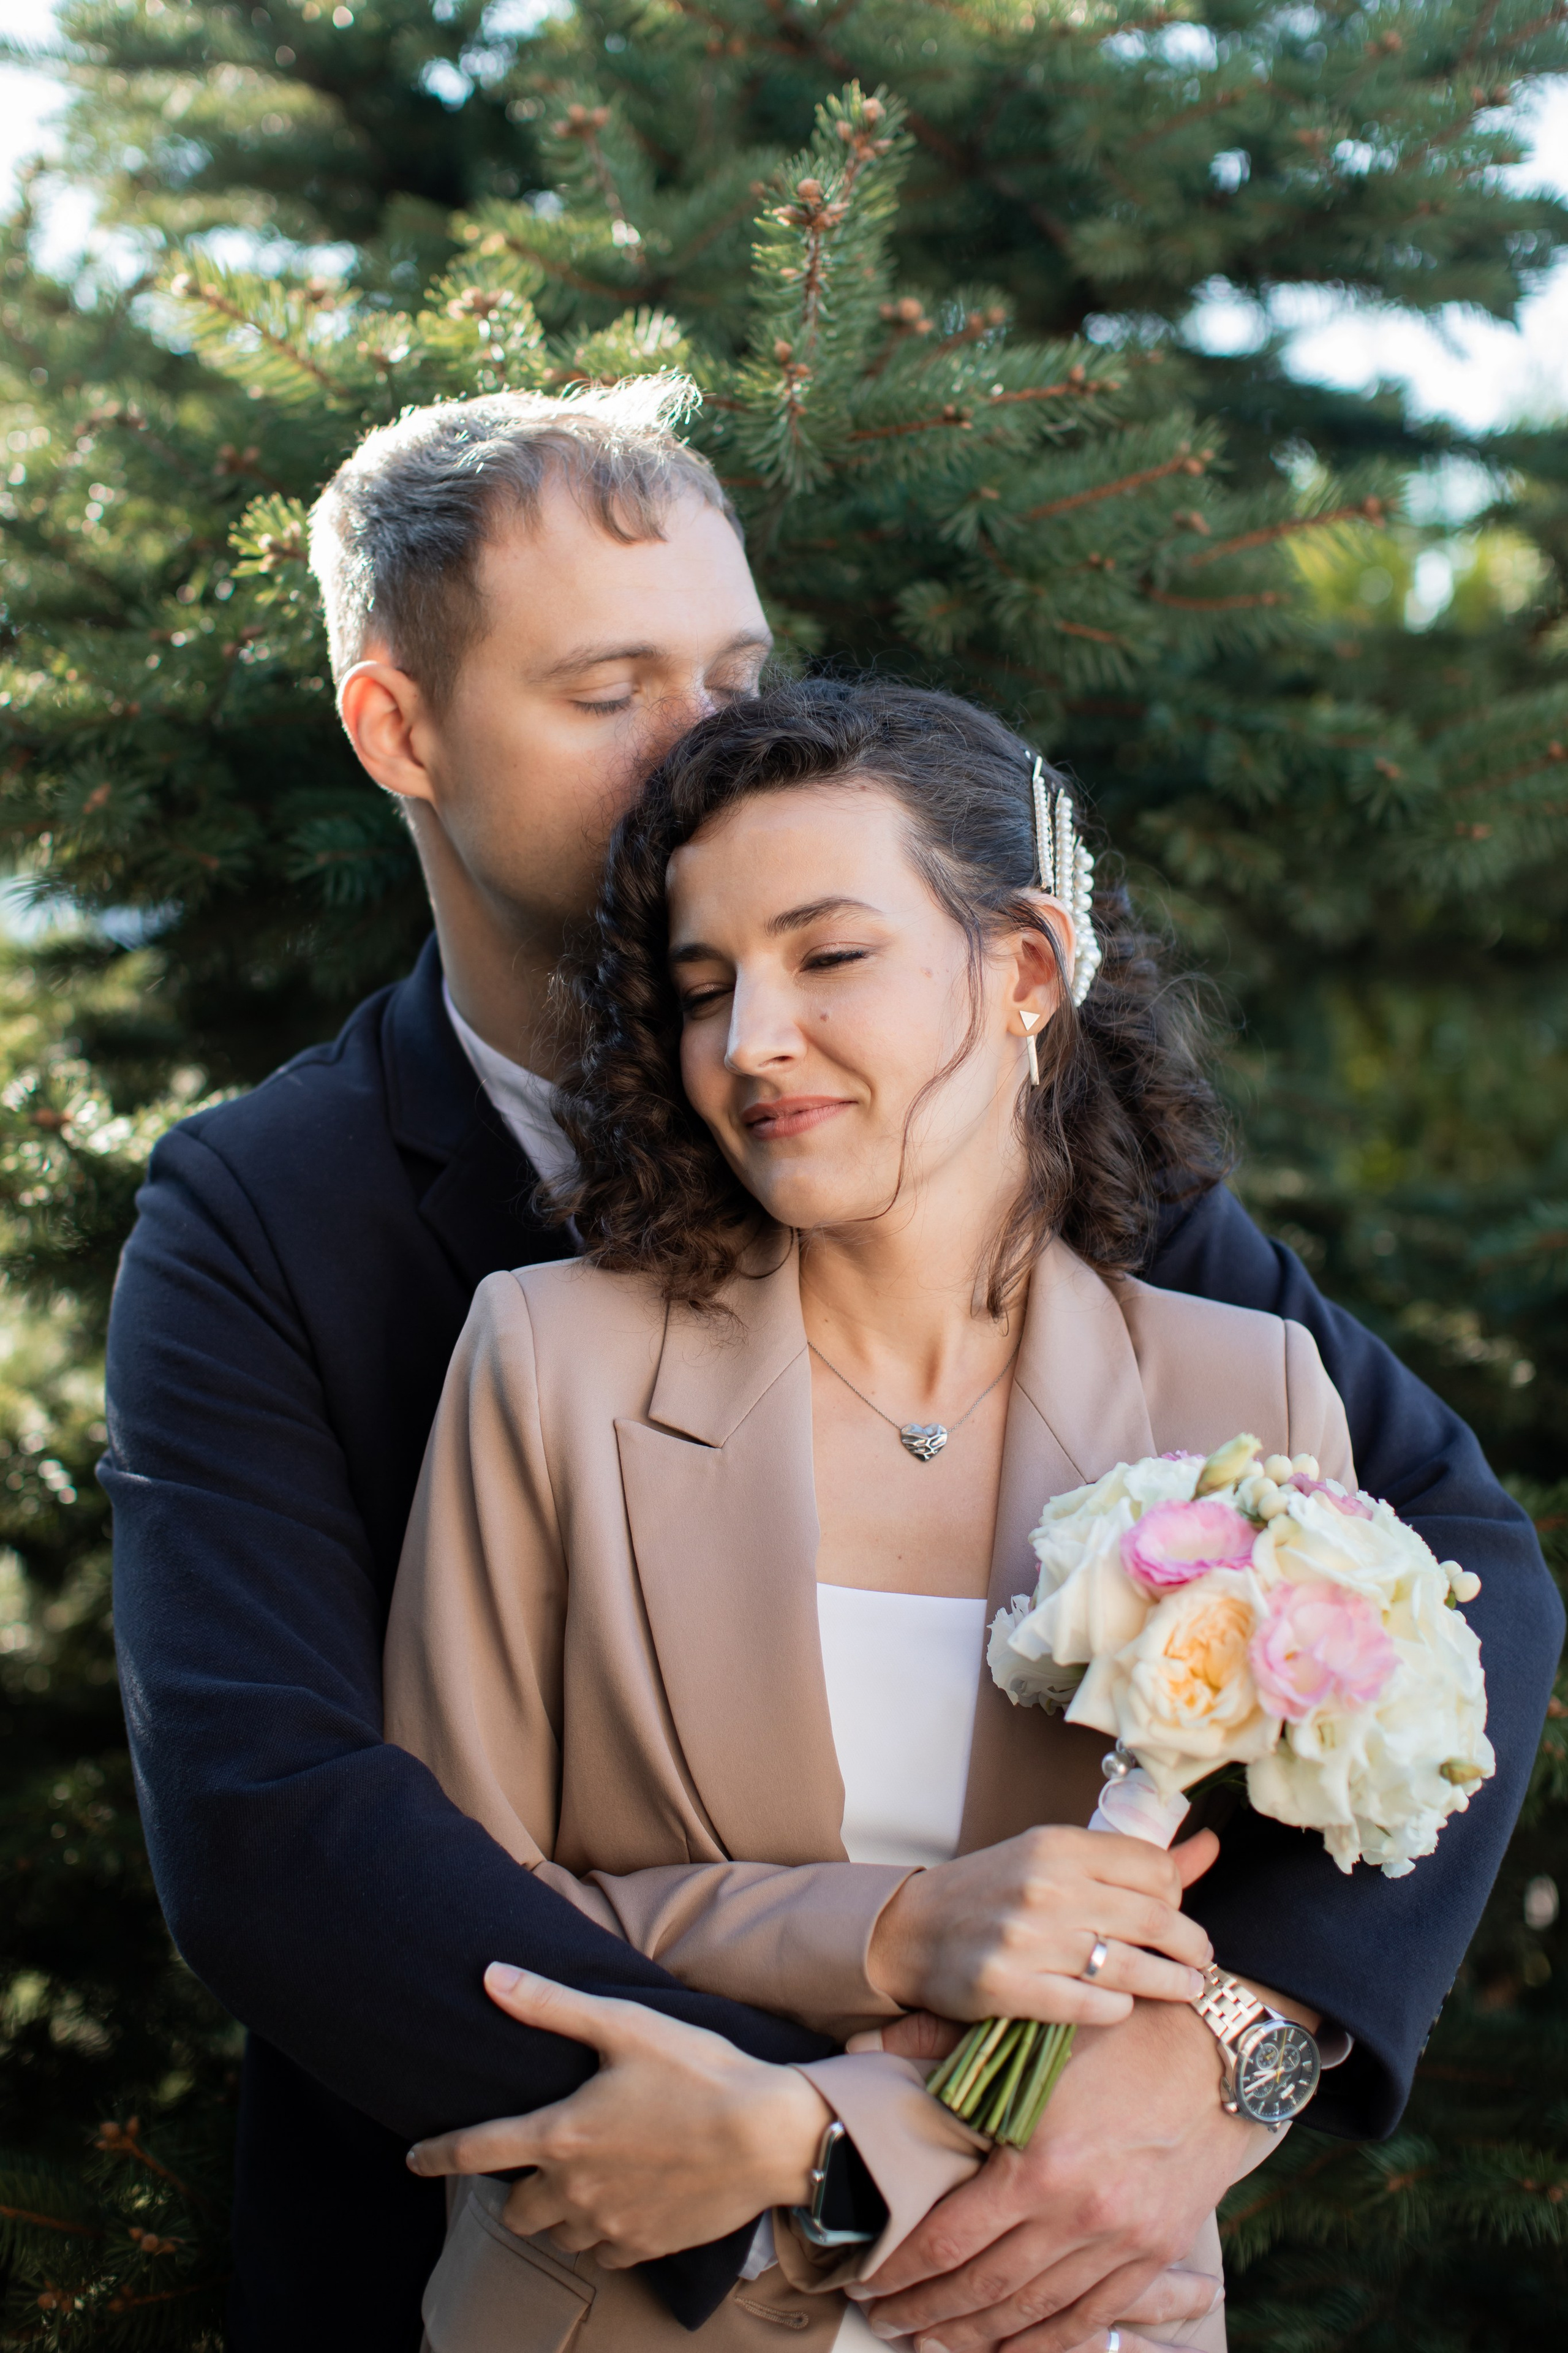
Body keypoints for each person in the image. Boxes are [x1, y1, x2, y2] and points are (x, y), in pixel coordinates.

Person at [101, 380, 1562, 2353]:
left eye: (733, 666)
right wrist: (828, 2143)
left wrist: (1230, 2061)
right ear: (399, 729)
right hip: (538, 2255)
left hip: (1042, 2284)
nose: (702, 737)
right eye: (609, 686)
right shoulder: (267, 1212)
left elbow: (1452, 1571)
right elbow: (282, 1822)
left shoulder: (1002, 1132)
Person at [386, 675, 1359, 2349]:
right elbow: (446, 1915)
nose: (750, 1040)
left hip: (1072, 2319)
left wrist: (831, 2140)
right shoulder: (545, 1361)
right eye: (705, 988)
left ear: (1027, 972)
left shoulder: (1248, 1409)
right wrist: (901, 1931)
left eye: (830, 957)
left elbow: (1237, 1980)